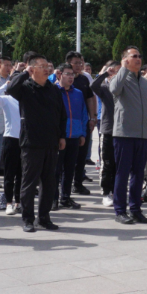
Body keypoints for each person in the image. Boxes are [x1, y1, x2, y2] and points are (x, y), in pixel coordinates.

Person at [7, 54, 66, 233]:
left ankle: (44, 218)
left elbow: (62, 114)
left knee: (49, 183)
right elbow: (10, 88)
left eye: (47, 66)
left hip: (51, 142)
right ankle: (28, 219)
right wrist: (25, 73)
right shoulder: (25, 87)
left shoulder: (54, 89)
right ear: (32, 69)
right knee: (29, 182)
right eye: (42, 66)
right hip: (31, 142)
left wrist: (61, 136)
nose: (47, 69)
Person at [109, 46, 147, 225]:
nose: (138, 59)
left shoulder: (145, 83)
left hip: (143, 135)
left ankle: (135, 209)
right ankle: (120, 210)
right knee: (122, 173)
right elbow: (114, 89)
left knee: (139, 174)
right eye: (134, 56)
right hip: (124, 134)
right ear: (126, 59)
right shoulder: (120, 78)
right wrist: (122, 68)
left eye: (139, 56)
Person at [54, 63, 86, 210]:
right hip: (59, 137)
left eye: (72, 74)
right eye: (67, 74)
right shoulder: (53, 91)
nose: (71, 77)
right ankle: (53, 198)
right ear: (59, 75)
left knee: (69, 169)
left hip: (74, 136)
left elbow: (83, 114)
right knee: (55, 170)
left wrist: (82, 133)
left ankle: (65, 197)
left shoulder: (78, 93)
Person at [0, 75, 22, 216]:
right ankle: (9, 203)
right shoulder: (7, 99)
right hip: (10, 139)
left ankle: (18, 202)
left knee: (21, 174)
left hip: (25, 140)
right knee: (9, 174)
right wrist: (5, 85)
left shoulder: (27, 99)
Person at [90, 60, 120, 207]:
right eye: (115, 71)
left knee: (119, 164)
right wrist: (104, 74)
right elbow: (93, 86)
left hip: (123, 132)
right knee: (107, 163)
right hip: (108, 130)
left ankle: (117, 191)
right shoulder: (106, 88)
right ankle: (106, 192)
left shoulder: (126, 89)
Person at [66, 51, 97, 189]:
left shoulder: (84, 79)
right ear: (68, 63)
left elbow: (90, 98)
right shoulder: (62, 79)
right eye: (76, 63)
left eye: (81, 63)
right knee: (67, 156)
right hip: (68, 123)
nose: (79, 66)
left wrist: (93, 117)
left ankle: (78, 183)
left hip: (83, 122)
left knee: (82, 154)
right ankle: (64, 186)